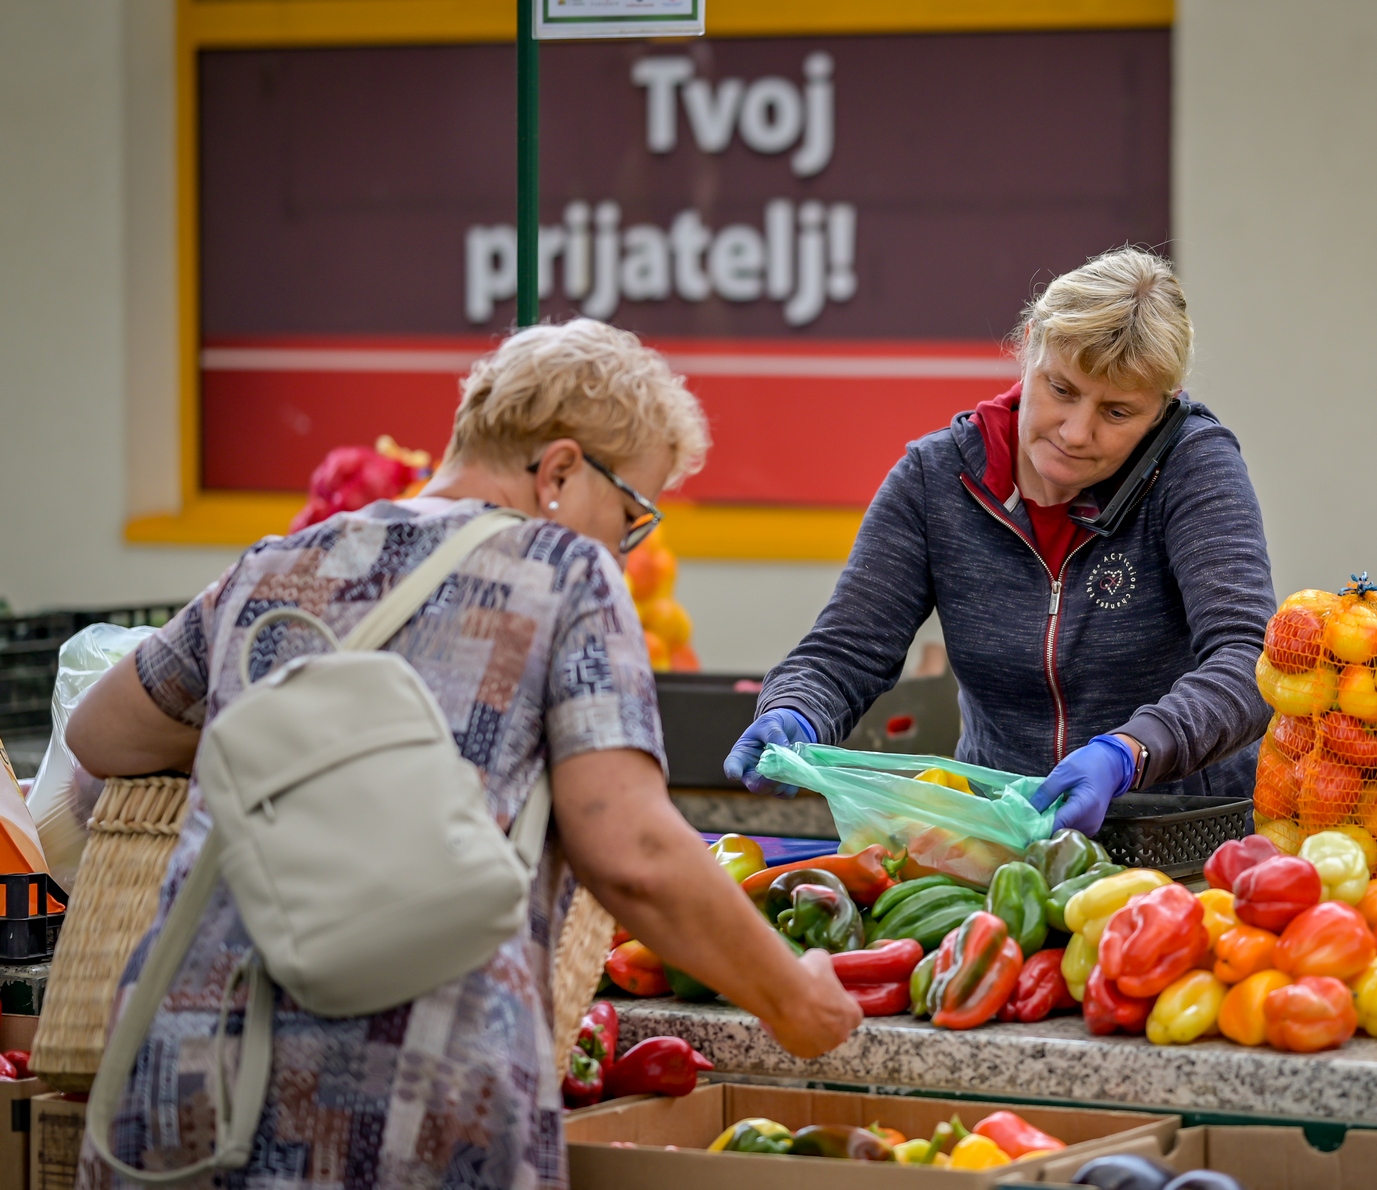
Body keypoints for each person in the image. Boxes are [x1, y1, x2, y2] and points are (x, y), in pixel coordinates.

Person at [67, 319, 861, 1189]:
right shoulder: (566, 574)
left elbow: (103, 734)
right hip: (405, 1099)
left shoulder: (277, 566)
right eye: (631, 514)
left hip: (193, 1081)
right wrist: (795, 997)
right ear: (559, 472)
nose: (625, 550)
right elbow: (631, 851)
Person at [725, 248, 1276, 834]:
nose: (1075, 432)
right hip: (1000, 830)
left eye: (1117, 412)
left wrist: (1130, 751)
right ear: (1031, 345)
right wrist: (795, 712)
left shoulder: (1194, 468)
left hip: (1184, 832)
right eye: (1061, 390)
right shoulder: (934, 481)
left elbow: (1249, 659)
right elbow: (846, 652)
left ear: (1164, 406)